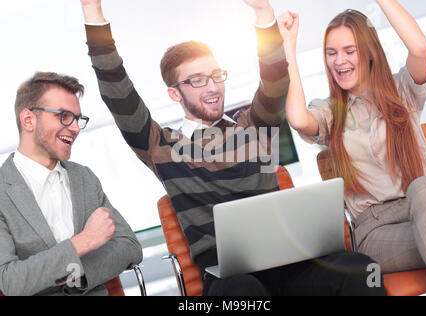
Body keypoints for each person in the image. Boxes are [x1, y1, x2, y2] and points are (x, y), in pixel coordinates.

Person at [79, 0, 386, 296]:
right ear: (175, 94)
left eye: (216, 76)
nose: (212, 87)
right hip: (229, 280)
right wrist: (93, 12)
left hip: (291, 265)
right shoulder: (163, 147)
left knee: (362, 270)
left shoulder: (254, 127)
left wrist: (263, 13)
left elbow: (276, 80)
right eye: (197, 81)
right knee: (242, 291)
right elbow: (118, 93)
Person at [279, 0, 426, 296]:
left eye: (349, 50)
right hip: (378, 232)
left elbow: (420, 49)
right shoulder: (331, 112)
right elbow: (296, 118)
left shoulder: (403, 92)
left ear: (369, 52)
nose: (338, 60)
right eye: (331, 53)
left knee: (425, 191)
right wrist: (288, 47)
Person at [0, 72, 143, 296]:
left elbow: (129, 246)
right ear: (28, 120)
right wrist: (83, 242)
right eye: (64, 116)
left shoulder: (83, 177)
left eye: (77, 118)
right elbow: (9, 281)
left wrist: (78, 275)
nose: (75, 128)